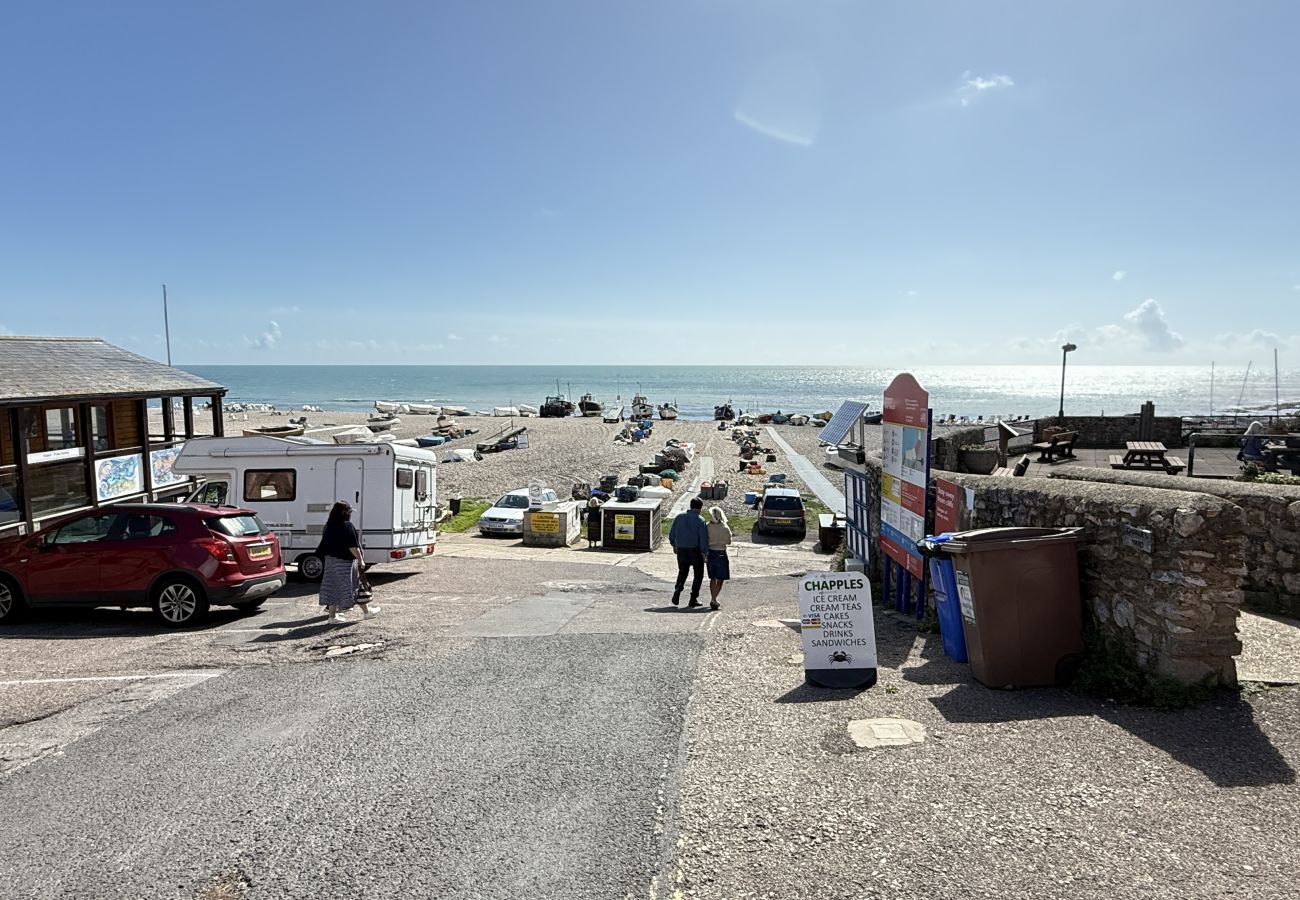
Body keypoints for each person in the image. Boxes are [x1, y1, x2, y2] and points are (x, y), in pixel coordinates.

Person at [317, 500, 380, 623]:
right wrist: (361, 560)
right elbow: (353, 547)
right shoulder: (347, 526)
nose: (350, 514)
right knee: (354, 587)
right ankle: (367, 612)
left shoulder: (328, 526)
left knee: (332, 587)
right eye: (350, 511)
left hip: (330, 561)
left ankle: (332, 617)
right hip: (345, 563)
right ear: (345, 512)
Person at [668, 497, 709, 607]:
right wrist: (704, 552)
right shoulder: (700, 520)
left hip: (682, 549)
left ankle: (678, 588)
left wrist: (674, 544)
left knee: (683, 572)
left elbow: (672, 533)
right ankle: (693, 598)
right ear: (700, 508)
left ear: (690, 505)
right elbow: (703, 538)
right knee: (698, 575)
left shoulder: (679, 517)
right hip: (695, 550)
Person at [706, 506, 732, 611]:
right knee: (720, 578)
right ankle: (714, 598)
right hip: (721, 552)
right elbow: (729, 541)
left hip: (711, 552)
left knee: (713, 577)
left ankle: (713, 598)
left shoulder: (707, 527)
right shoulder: (725, 528)